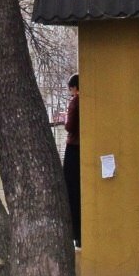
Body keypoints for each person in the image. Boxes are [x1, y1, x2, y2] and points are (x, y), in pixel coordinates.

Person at [62, 73, 81, 246]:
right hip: (83, 146)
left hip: (74, 147)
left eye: (71, 89)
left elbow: (70, 126)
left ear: (75, 87)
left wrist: (65, 121)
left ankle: (75, 233)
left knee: (71, 188)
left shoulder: (75, 102)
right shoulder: (89, 100)